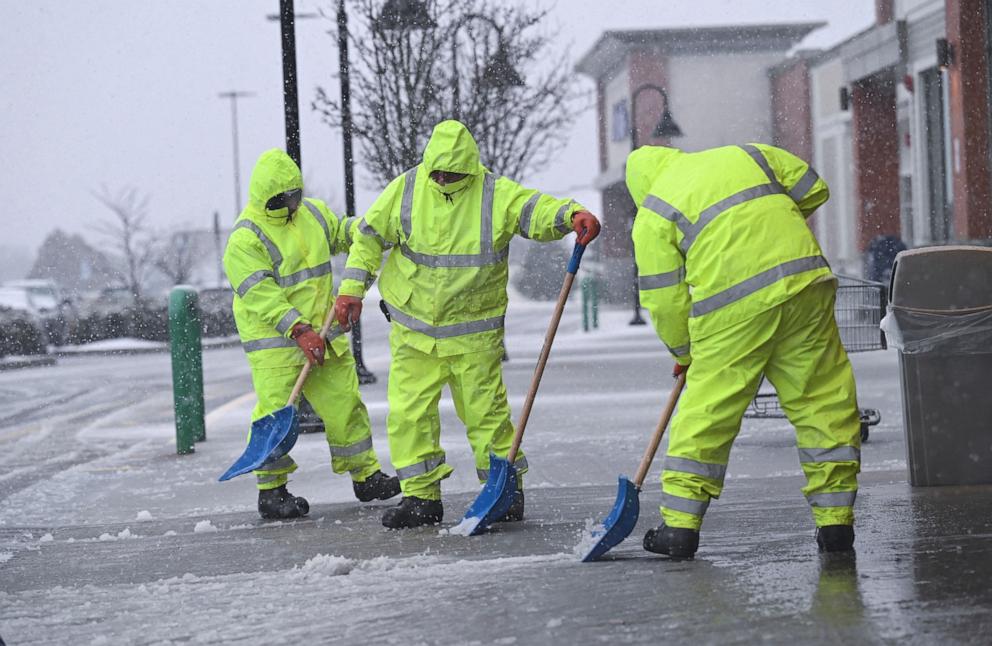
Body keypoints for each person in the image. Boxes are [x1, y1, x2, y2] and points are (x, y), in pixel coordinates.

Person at [333, 120, 601, 529]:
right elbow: (368, 237)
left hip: (473, 334)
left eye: (451, 173)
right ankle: (421, 498)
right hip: (414, 329)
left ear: (470, 169)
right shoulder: (406, 190)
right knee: (409, 415)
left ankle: (505, 492)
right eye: (436, 171)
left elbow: (534, 210)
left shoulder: (494, 194)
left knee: (486, 417)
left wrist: (570, 215)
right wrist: (351, 288)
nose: (442, 178)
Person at [626, 142, 861, 558]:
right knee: (822, 400)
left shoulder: (653, 213)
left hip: (732, 307)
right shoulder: (745, 154)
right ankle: (836, 523)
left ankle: (680, 528)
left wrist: (684, 352)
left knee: (709, 412)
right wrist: (766, 232)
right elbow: (813, 187)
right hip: (806, 283)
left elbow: (664, 299)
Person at [223, 148, 400, 520]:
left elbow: (341, 233)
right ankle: (272, 491)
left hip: (324, 336)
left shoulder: (313, 214)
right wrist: (297, 329)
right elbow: (260, 294)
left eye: (296, 195)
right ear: (269, 197)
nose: (292, 203)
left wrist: (368, 231)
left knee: (345, 405)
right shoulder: (245, 238)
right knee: (275, 416)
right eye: (285, 198)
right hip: (276, 345)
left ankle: (366, 477)